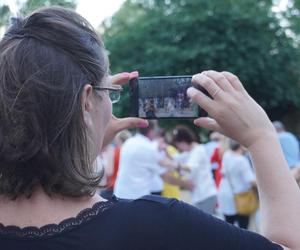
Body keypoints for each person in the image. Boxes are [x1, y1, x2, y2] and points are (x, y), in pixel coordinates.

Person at [0, 7, 299, 250]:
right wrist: (261, 138)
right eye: (108, 92)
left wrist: (81, 138)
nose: (112, 104)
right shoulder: (159, 225)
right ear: (87, 101)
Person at [114, 122, 193, 199]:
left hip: (120, 193)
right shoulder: (149, 149)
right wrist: (187, 184)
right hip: (136, 197)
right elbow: (166, 177)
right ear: (152, 131)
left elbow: (164, 162)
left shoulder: (129, 142)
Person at [173, 125, 217, 214]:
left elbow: (190, 167)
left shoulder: (198, 151)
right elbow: (175, 158)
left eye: (178, 145)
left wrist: (176, 166)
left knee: (204, 226)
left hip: (205, 195)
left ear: (183, 141)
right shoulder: (191, 152)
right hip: (201, 195)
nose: (179, 148)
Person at [218, 139, 256, 229]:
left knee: (229, 226)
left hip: (225, 193)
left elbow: (222, 172)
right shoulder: (241, 160)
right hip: (240, 197)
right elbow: (250, 180)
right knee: (243, 227)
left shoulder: (226, 155)